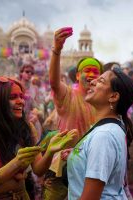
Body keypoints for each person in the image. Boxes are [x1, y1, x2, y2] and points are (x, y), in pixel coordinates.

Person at [0, 76, 77, 199]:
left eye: (21, 96)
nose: (21, 101)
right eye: (13, 97)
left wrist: (50, 151)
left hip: (21, 196)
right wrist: (16, 163)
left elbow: (38, 170)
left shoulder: (26, 127)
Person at [43, 27, 103, 200]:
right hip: (60, 168)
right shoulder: (68, 95)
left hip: (88, 167)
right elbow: (54, 83)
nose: (91, 74)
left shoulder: (102, 103)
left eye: (96, 71)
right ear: (77, 76)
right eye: (87, 71)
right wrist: (57, 50)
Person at [66, 65, 133, 199]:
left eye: (101, 81)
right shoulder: (109, 128)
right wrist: (79, 155)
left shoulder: (104, 136)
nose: (92, 81)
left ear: (113, 96)